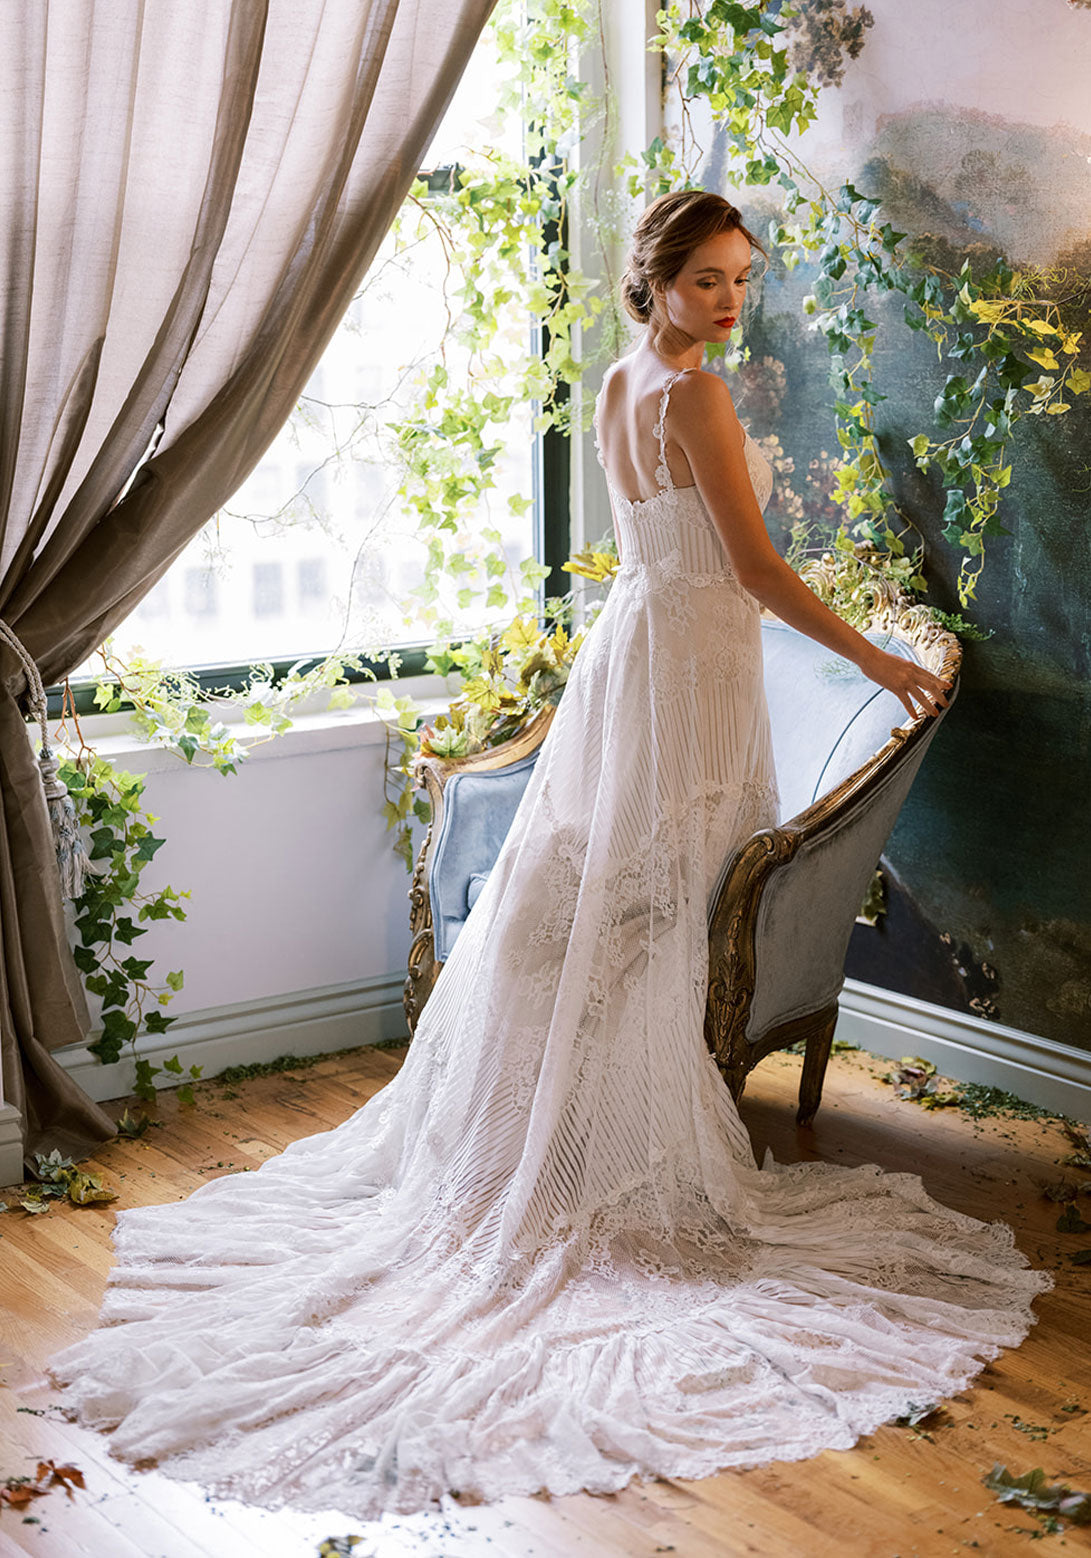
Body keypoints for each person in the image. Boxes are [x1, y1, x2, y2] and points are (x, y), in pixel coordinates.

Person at [46, 190, 1049, 1521]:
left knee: (629, 893)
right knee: (661, 895)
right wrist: (873, 658)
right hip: (689, 658)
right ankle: (606, 1157)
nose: (730, 302)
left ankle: (562, 1133)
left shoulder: (620, 380)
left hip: (637, 650)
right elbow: (748, 568)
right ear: (659, 281)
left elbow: (675, 553)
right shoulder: (693, 397)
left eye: (742, 280)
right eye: (706, 281)